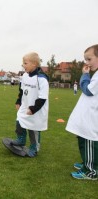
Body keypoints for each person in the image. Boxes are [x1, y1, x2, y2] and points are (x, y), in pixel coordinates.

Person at [66, 44, 98, 180]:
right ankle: (86, 163)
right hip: (87, 115)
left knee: (89, 140)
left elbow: (89, 90)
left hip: (92, 117)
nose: (86, 63)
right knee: (83, 138)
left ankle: (91, 171)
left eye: (89, 59)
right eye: (85, 59)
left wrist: (85, 76)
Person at [10, 52, 49, 157]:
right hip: (25, 105)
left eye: (25, 63)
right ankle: (21, 139)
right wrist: (18, 101)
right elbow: (21, 91)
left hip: (36, 108)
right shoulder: (25, 76)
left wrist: (33, 109)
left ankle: (34, 147)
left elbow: (42, 97)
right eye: (23, 63)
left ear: (34, 64)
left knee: (33, 127)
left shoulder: (42, 79)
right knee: (19, 120)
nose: (23, 65)